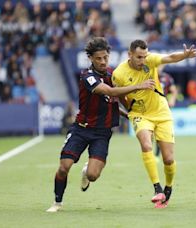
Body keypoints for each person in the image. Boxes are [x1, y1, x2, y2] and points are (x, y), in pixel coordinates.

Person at [46, 37, 155, 212]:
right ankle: (57, 202)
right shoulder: (87, 76)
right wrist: (138, 86)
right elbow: (109, 92)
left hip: (102, 133)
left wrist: (128, 115)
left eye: (105, 57)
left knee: (93, 175)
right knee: (64, 167)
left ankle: (86, 171)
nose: (103, 61)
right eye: (99, 58)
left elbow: (112, 100)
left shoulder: (114, 76)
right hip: (81, 129)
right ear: (91, 58)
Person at [112, 40, 196, 208]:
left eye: (145, 56)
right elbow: (117, 94)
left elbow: (171, 57)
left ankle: (168, 187)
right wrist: (129, 108)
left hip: (161, 112)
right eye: (139, 57)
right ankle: (157, 188)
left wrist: (184, 56)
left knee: (168, 159)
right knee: (146, 144)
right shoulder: (119, 73)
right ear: (129, 55)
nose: (143, 60)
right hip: (140, 114)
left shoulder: (150, 60)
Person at [155, 67, 178, 158]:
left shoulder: (167, 78)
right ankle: (151, 154)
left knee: (160, 132)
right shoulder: (146, 77)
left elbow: (174, 91)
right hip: (149, 108)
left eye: (160, 65)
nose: (159, 68)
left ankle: (157, 154)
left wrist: (172, 99)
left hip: (162, 109)